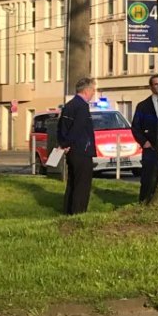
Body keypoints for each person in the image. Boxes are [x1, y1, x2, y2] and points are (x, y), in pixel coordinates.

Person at [58, 77, 97, 215]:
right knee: (82, 185)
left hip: (71, 151)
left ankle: (68, 211)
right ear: (87, 90)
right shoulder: (82, 106)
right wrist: (69, 142)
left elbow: (62, 127)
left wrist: (64, 143)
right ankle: (78, 213)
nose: (93, 93)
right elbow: (78, 128)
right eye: (93, 90)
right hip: (82, 150)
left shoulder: (69, 105)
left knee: (72, 183)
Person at [131, 75, 158, 203]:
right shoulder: (143, 106)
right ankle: (144, 201)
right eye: (155, 84)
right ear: (151, 87)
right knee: (148, 177)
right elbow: (135, 127)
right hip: (150, 148)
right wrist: (144, 142)